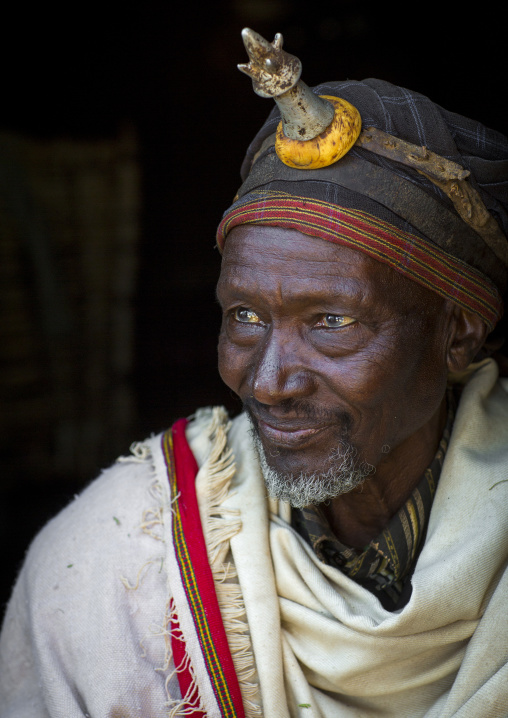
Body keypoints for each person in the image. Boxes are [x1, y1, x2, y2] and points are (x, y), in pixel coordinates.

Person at [1, 28, 508, 718]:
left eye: (332, 322)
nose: (269, 383)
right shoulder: (116, 564)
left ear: (458, 334)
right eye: (245, 316)